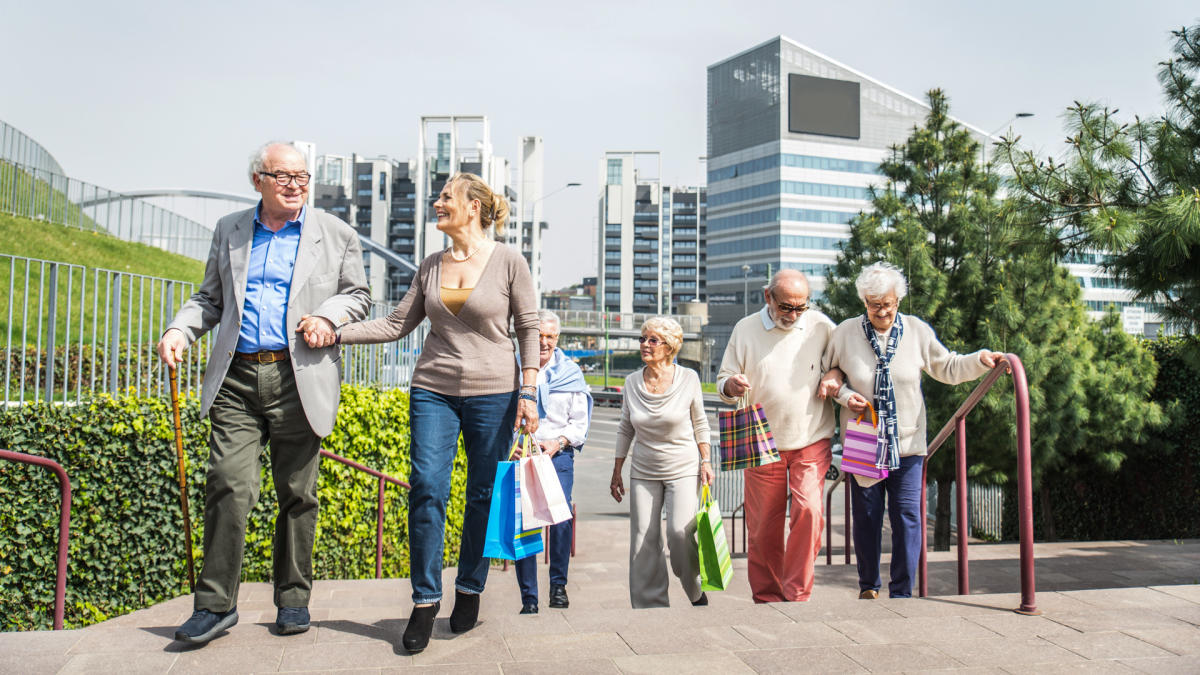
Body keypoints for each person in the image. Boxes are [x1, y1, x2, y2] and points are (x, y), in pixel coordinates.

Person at [157, 142, 371, 645]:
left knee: (298, 495)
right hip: (236, 378)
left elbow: (358, 296)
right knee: (229, 486)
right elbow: (209, 298)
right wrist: (180, 330)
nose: (295, 185)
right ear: (258, 180)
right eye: (283, 176)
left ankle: (293, 600)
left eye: (302, 176)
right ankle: (214, 606)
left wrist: (328, 316)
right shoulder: (230, 229)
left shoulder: (336, 234)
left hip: (300, 378)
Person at [335, 172, 539, 653]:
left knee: (483, 494)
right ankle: (425, 599)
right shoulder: (431, 264)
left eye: (447, 197)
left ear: (474, 208)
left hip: (496, 392)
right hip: (434, 389)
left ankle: (469, 589)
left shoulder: (510, 261)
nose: (438, 202)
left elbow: (528, 327)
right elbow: (394, 324)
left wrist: (528, 391)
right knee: (427, 486)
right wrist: (335, 331)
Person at [824, 262, 999, 599]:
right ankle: (869, 585)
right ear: (864, 302)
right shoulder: (845, 333)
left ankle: (902, 590)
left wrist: (980, 359)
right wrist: (846, 397)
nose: (882, 311)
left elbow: (946, 367)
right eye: (874, 304)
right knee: (867, 517)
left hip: (907, 444)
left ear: (898, 301)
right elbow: (829, 374)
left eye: (887, 304)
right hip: (865, 439)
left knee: (907, 519)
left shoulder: (916, 331)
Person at [716, 269, 843, 603]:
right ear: (767, 297)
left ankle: (797, 591)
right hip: (759, 436)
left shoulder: (820, 326)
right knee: (762, 529)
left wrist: (832, 376)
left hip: (810, 437)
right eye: (786, 306)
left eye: (801, 307)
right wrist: (731, 385)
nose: (793, 314)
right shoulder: (745, 329)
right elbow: (724, 379)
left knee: (810, 510)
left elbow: (839, 364)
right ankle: (768, 597)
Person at [610, 317, 713, 609]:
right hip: (643, 468)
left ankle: (694, 589)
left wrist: (706, 460)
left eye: (652, 340)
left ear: (669, 347)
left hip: (682, 466)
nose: (644, 344)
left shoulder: (688, 378)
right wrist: (617, 469)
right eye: (642, 339)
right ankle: (649, 606)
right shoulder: (631, 382)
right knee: (643, 537)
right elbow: (625, 427)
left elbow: (700, 423)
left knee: (679, 533)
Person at [514, 310, 593, 615]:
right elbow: (502, 414)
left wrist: (557, 442)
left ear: (557, 338)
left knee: (560, 519)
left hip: (557, 454)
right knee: (525, 523)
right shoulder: (516, 369)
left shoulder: (571, 373)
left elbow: (578, 422)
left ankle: (558, 585)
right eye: (538, 336)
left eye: (550, 336)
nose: (544, 342)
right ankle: (529, 597)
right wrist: (514, 444)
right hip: (524, 454)